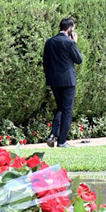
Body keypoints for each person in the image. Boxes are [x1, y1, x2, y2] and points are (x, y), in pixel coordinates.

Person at [43, 17, 83, 148]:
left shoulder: (49, 42)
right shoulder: (69, 43)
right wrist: (75, 43)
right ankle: (61, 141)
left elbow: (45, 62)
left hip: (54, 80)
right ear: (70, 29)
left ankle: (53, 134)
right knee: (67, 110)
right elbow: (78, 59)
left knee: (61, 108)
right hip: (68, 81)